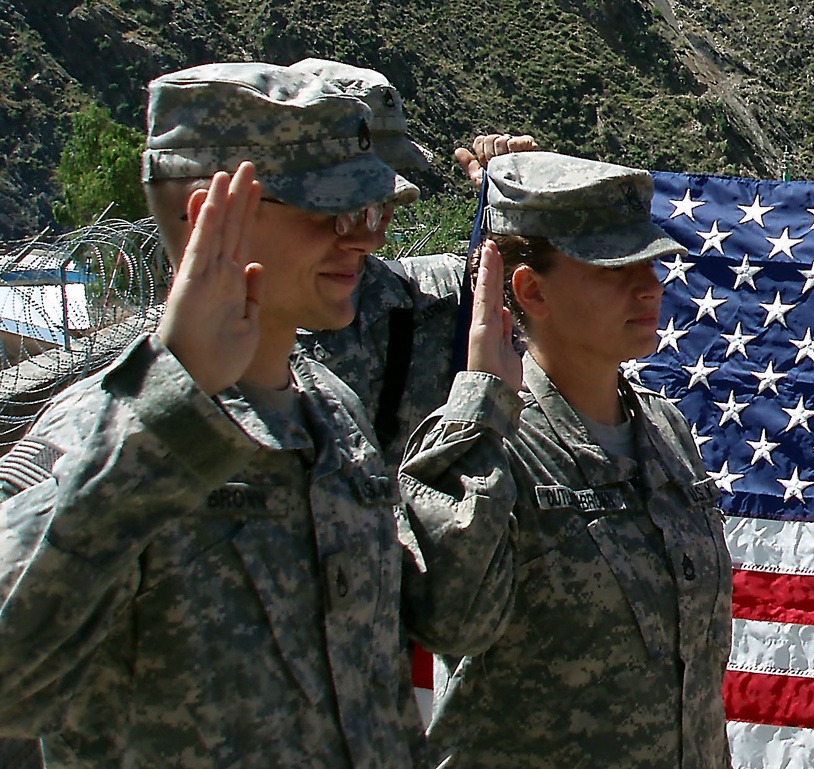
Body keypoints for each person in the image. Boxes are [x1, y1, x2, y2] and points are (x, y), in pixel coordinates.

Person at [0, 61, 511, 768]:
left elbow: (433, 637)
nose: (367, 239)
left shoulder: (332, 414)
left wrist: (481, 408)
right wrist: (166, 416)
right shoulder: (95, 436)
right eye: (334, 211)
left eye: (374, 212)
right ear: (207, 213)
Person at [398, 151, 733, 768]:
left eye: (650, 263)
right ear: (531, 290)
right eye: (613, 269)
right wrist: (481, 407)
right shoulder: (488, 442)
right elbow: (450, 619)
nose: (648, 286)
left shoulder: (664, 431)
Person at [289, 58, 539, 473]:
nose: (378, 221)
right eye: (355, 190)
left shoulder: (434, 299)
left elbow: (555, 332)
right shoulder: (194, 351)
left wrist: (529, 223)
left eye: (389, 183)